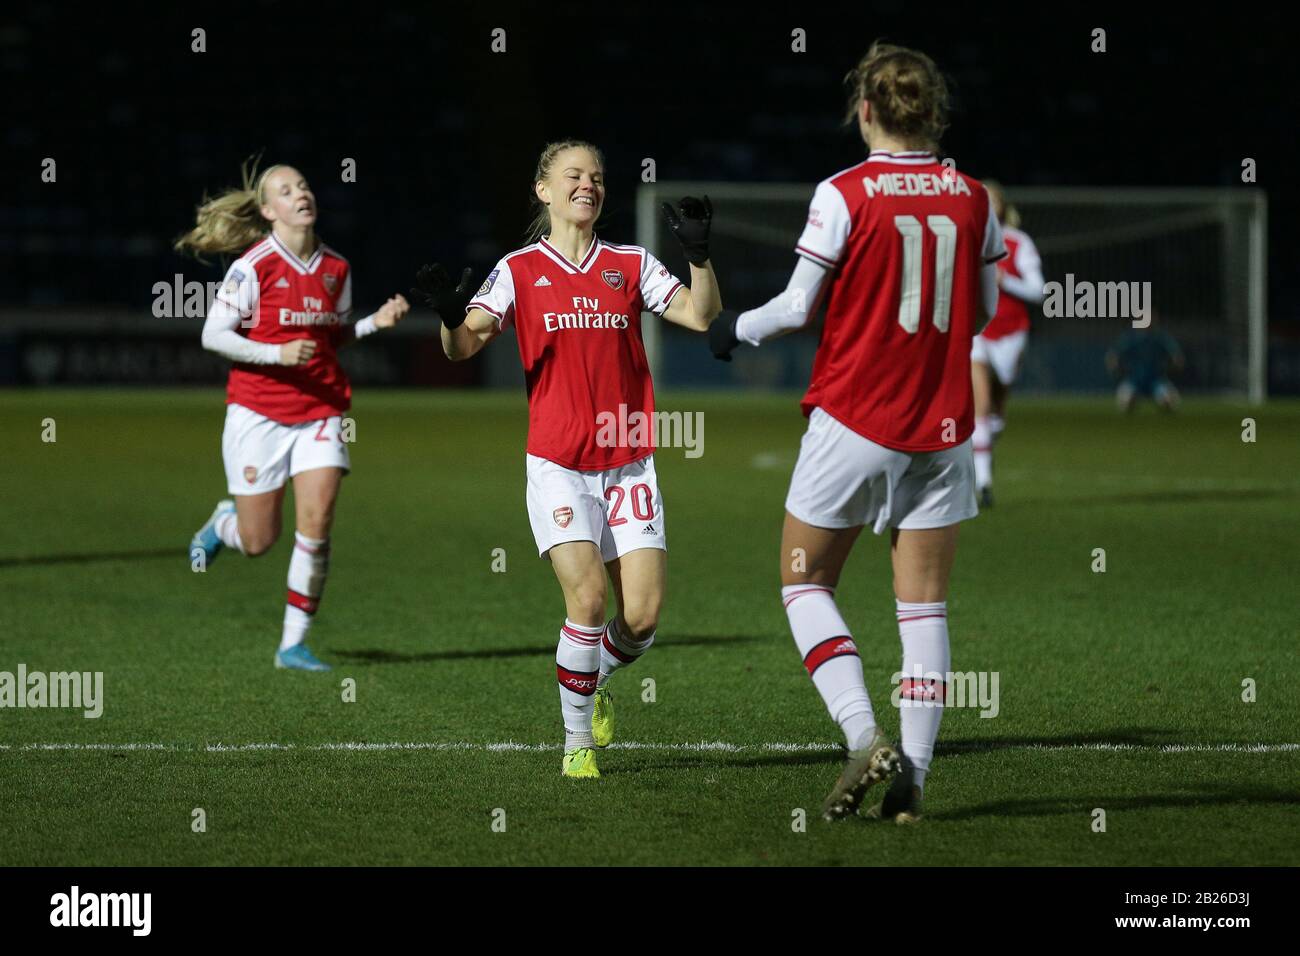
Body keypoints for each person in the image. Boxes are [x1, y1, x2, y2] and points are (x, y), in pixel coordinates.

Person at [708, 43, 1005, 822]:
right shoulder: (972, 196)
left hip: (854, 419)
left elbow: (798, 307)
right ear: (933, 110)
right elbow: (980, 311)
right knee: (925, 610)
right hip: (942, 431)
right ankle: (915, 780)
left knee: (804, 581)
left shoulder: (844, 192)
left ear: (865, 109)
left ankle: (860, 730)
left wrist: (730, 329)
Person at [415, 140, 720, 778]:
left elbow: (700, 314)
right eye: (574, 176)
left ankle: (594, 677)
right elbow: (461, 347)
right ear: (544, 190)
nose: (589, 185)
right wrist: (448, 311)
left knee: (641, 617)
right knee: (585, 601)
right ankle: (576, 743)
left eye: (598, 178)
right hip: (559, 462)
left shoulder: (630, 263)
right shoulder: (520, 269)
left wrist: (698, 255)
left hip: (629, 460)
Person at [180, 160, 410, 671]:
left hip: (321, 410)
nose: (300, 194)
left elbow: (333, 338)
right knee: (259, 541)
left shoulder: (337, 268)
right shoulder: (254, 266)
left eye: (303, 185)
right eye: (285, 190)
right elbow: (213, 335)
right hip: (258, 414)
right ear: (268, 210)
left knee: (318, 522)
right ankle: (224, 526)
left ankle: (293, 644)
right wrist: (276, 355)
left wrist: (376, 321)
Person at [970, 181, 1044, 507]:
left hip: (1011, 334)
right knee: (980, 406)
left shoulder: (1019, 242)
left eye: (993, 199)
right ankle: (983, 483)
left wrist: (1006, 280)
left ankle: (986, 440)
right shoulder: (965, 239)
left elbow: (1039, 292)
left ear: (1002, 206)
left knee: (996, 413)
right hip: (976, 333)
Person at [1107, 319, 1184, 412]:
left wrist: (1175, 363)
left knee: (1168, 403)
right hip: (1134, 381)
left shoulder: (1159, 337)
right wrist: (1115, 366)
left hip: (1156, 381)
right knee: (1126, 404)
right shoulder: (1131, 338)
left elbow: (1176, 355)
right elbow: (1113, 355)